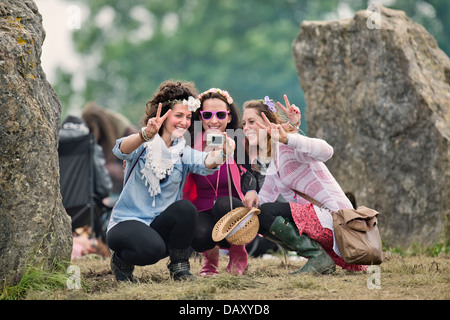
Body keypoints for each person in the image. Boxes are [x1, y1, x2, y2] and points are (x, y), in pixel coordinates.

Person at [106, 81, 235, 282]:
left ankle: (180, 269)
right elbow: (121, 149)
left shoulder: (183, 151)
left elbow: (205, 163)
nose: (184, 122)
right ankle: (121, 261)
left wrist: (223, 153)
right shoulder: (143, 144)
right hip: (127, 221)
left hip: (158, 224)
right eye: (178, 116)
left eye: (188, 117)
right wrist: (145, 135)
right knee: (153, 250)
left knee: (185, 209)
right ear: (164, 115)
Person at [239, 95, 367, 274]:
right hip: (318, 223)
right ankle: (319, 258)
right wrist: (252, 195)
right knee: (260, 214)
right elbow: (264, 199)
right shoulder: (272, 160)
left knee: (267, 212)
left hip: (334, 220)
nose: (246, 128)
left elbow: (327, 151)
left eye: (252, 121)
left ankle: (318, 258)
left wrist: (288, 139)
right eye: (244, 123)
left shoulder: (287, 146)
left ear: (268, 122)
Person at [183, 88, 249, 276]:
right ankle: (210, 261)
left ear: (228, 117)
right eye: (207, 115)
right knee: (199, 235)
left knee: (223, 204)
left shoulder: (239, 140)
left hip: (232, 208)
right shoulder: (190, 143)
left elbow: (252, 173)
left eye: (220, 114)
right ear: (200, 117)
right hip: (202, 207)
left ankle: (239, 255)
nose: (214, 120)